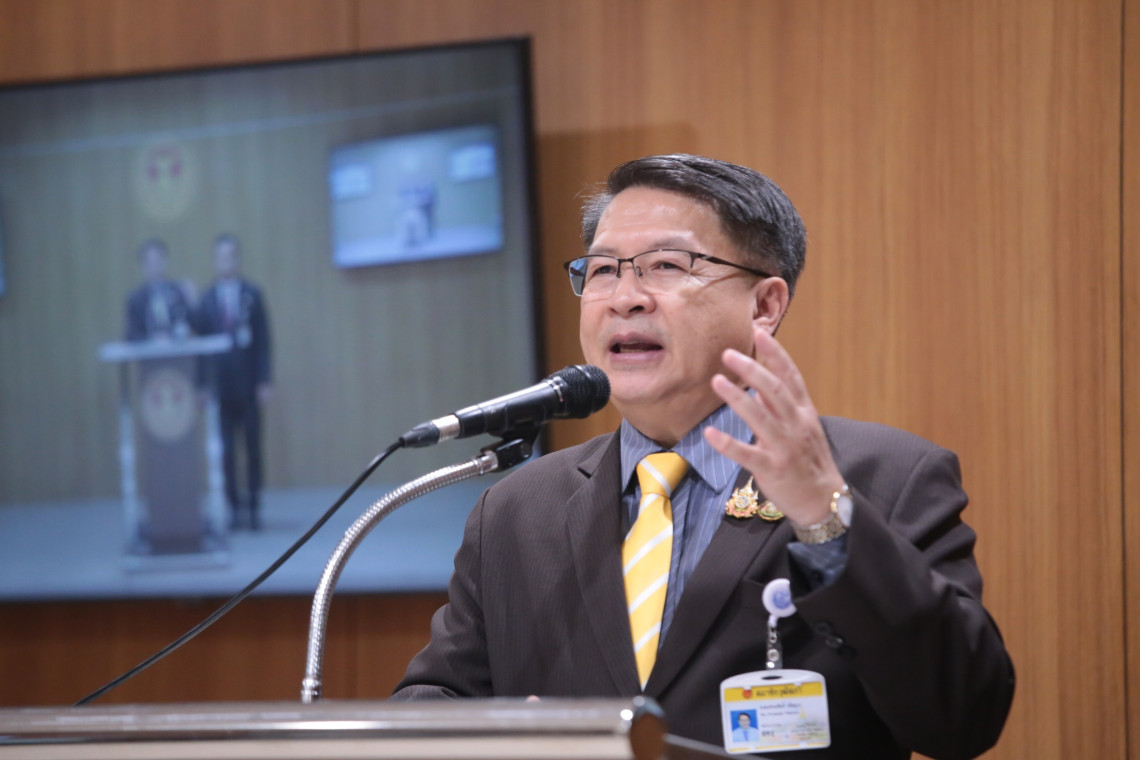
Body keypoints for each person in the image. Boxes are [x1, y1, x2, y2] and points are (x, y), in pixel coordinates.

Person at [392, 154, 1015, 759]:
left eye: (666, 265)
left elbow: (962, 717)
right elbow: (435, 702)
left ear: (765, 306)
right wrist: (491, 738)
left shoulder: (884, 475)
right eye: (602, 270)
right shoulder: (518, 510)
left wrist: (826, 520)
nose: (624, 298)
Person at [194, 233, 272, 530]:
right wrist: (201, 386)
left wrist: (265, 381)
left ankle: (254, 506)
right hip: (220, 389)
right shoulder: (206, 299)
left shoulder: (252, 294)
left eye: (230, 256)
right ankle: (233, 506)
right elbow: (199, 348)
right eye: (220, 257)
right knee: (225, 453)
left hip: (249, 386)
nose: (225, 262)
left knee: (252, 448)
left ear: (237, 259)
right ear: (215, 261)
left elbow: (264, 341)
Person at [124, 238, 193, 341]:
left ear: (165, 261)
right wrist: (151, 339)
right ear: (143, 266)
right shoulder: (136, 299)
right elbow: (132, 334)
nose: (154, 266)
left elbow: (191, 324)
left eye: (158, 261)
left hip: (177, 348)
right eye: (150, 262)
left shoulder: (178, 291)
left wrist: (192, 302)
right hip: (149, 349)